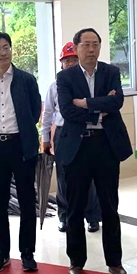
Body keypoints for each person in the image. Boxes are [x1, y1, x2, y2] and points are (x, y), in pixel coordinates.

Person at [56, 28, 132, 274]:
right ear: (76, 47)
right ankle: (76, 262)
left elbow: (116, 103)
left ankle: (115, 262)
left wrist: (85, 103)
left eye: (95, 44)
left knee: (110, 206)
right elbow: (67, 111)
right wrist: (100, 108)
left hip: (106, 146)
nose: (91, 49)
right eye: (86, 45)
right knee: (75, 207)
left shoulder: (111, 72)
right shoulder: (65, 77)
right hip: (77, 148)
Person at [0, 32, 42, 273]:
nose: (3, 52)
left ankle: (27, 253)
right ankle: (2, 252)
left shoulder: (26, 80)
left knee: (26, 201)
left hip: (21, 146)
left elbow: (35, 110)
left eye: (6, 47)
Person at [41, 42, 101, 233]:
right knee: (63, 178)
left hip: (86, 133)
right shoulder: (54, 86)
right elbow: (48, 114)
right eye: (66, 61)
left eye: (74, 60)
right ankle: (64, 216)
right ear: (61, 64)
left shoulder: (87, 84)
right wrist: (45, 138)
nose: (70, 64)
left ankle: (92, 217)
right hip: (63, 134)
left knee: (90, 176)